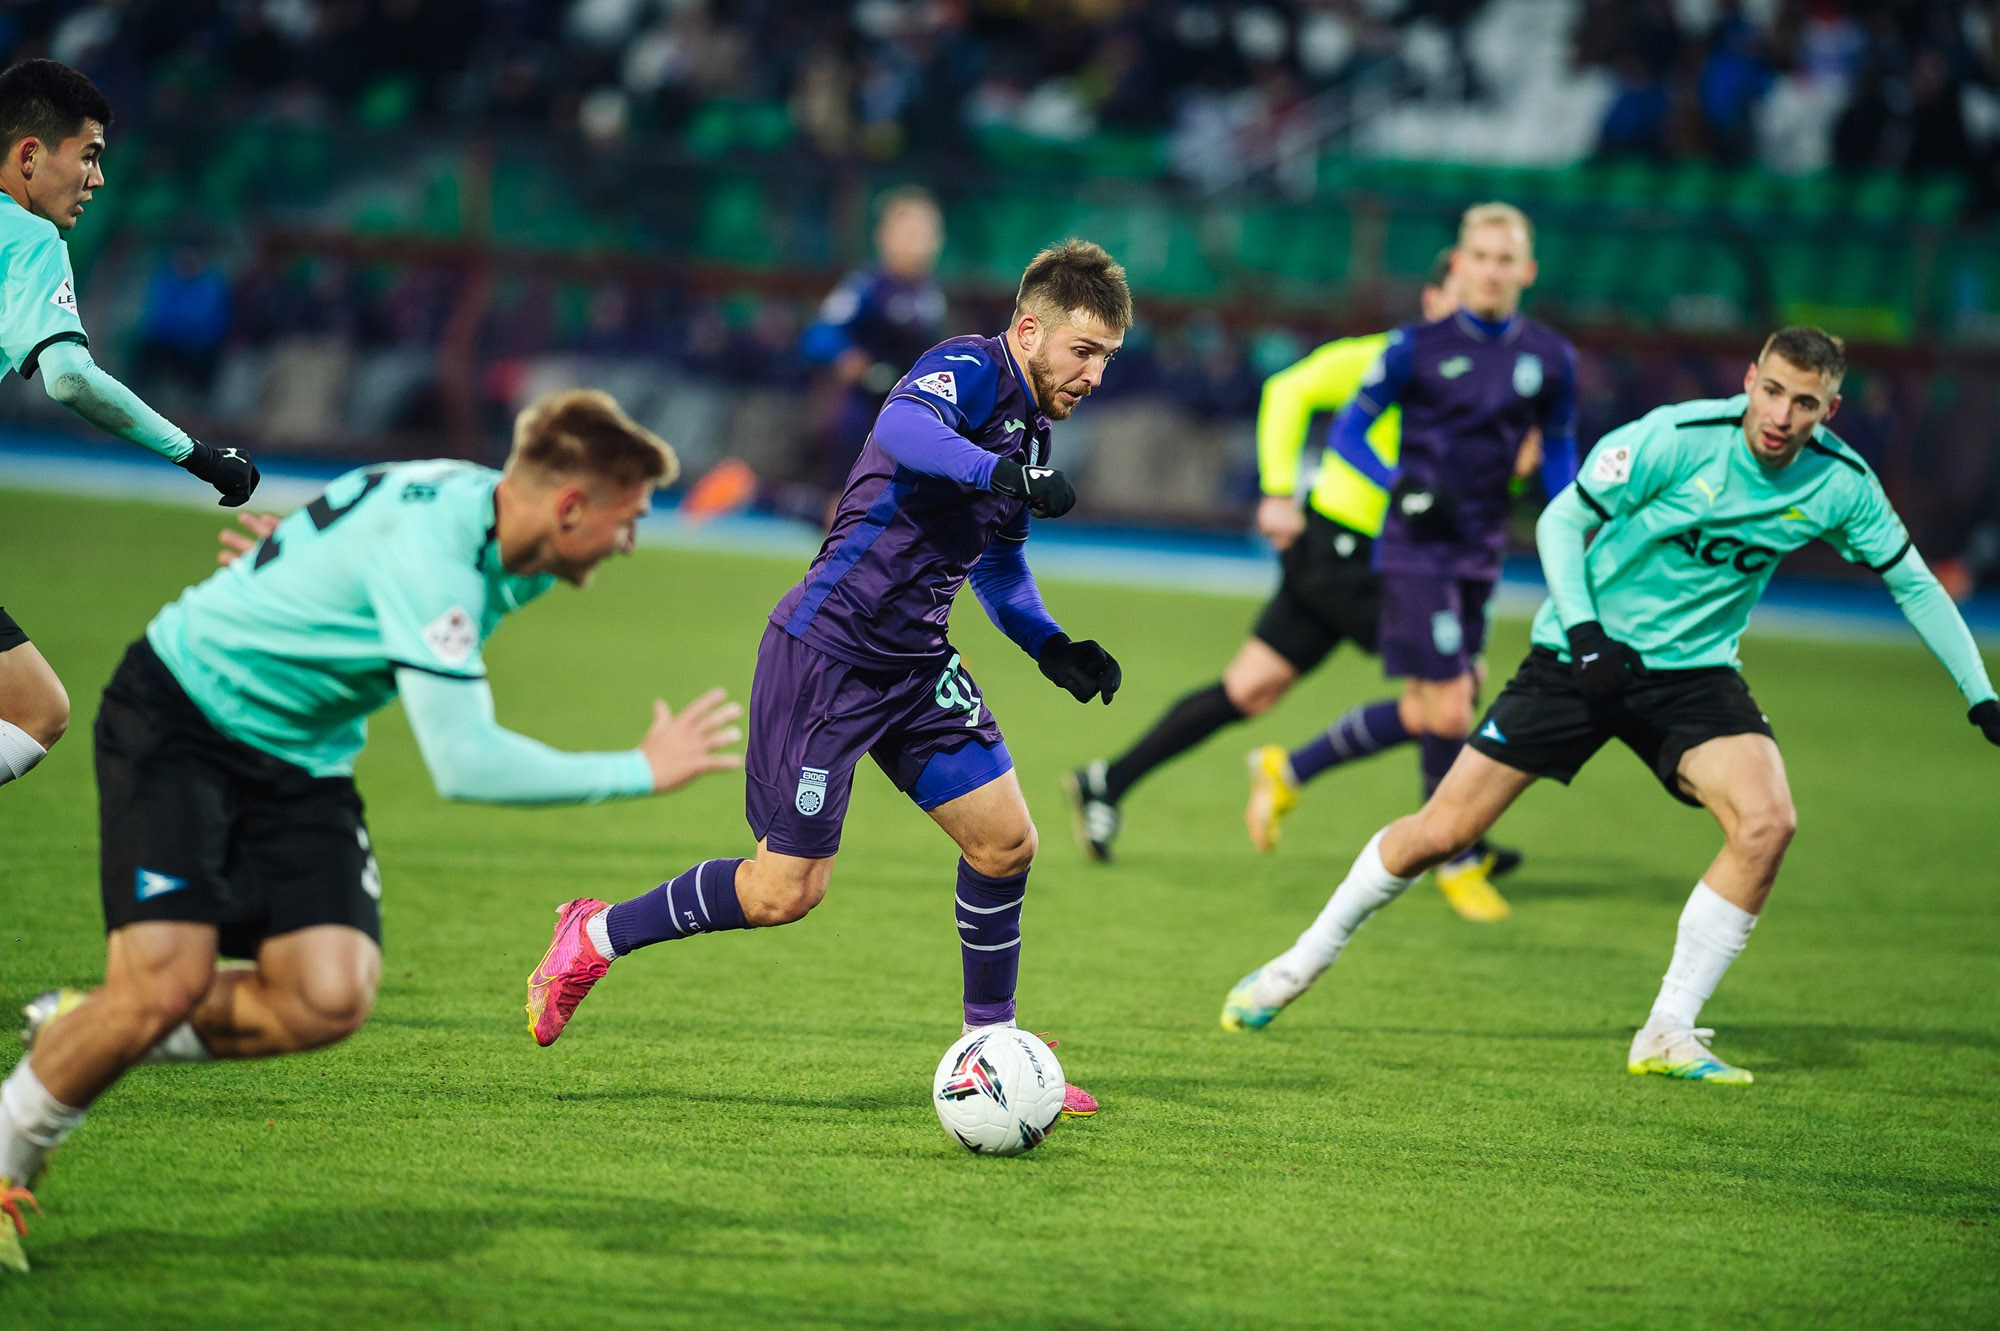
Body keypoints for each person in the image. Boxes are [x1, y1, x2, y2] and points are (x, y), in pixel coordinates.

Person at [0, 390, 743, 1274]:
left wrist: (285, 570)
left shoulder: (507, 528)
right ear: (572, 506)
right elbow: (464, 761)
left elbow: (357, 520)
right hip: (183, 721)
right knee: (163, 984)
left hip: (300, 756)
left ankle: (96, 1026)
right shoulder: (444, 554)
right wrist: (640, 769)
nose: (632, 541)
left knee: (328, 995)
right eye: (629, 520)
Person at [1220, 328, 2000, 1083]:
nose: (1780, 415)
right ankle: (1298, 963)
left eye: (1803, 402)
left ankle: (1667, 1030)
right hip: (1578, 657)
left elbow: (1915, 584)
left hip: (1692, 676)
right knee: (1442, 831)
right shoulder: (1675, 436)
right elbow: (1564, 518)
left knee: (1768, 823)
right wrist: (1587, 632)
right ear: (1748, 381)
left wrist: (1982, 696)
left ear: (1828, 412)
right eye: (1771, 391)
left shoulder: (1841, 484)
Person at [524, 241, 1132, 1116]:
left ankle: (989, 1051)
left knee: (1006, 844)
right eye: (1083, 352)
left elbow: (999, 565)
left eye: (1107, 358)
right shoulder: (966, 366)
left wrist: (1050, 644)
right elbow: (900, 432)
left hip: (916, 661)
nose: (1094, 375)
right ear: (1031, 330)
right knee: (784, 892)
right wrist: (996, 469)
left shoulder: (1033, 431)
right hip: (830, 653)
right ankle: (594, 932)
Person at [1063, 250, 1540, 903]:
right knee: (1452, 685)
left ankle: (1107, 781)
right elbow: (1289, 389)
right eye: (1460, 296)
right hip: (1349, 551)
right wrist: (1278, 489)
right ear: (1432, 304)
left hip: (1369, 557)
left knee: (1251, 688)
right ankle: (1448, 841)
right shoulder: (1390, 355)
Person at [1243, 202, 1578, 921]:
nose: (1491, 271)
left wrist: (1571, 518)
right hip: (1415, 550)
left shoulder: (1549, 358)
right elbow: (1348, 434)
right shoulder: (1413, 348)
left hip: (1482, 553)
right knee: (1454, 701)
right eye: (1479, 257)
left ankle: (1289, 768)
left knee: (1433, 707)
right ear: (1459, 265)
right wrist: (1404, 487)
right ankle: (1454, 857)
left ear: (1527, 270)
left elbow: (1556, 450)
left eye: (1504, 259)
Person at [0, 59, 260, 796]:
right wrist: (201, 456)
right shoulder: (24, 238)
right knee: (34, 710)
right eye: (88, 155)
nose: (97, 179)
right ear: (28, 156)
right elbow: (70, 377)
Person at [681, 186, 947, 528]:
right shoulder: (868, 286)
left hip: (901, 417)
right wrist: (848, 356)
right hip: (859, 415)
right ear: (884, 236)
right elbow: (818, 335)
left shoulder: (930, 296)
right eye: (909, 231)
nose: (919, 240)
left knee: (863, 518)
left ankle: (751, 488)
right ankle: (750, 489)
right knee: (850, 517)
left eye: (926, 231)